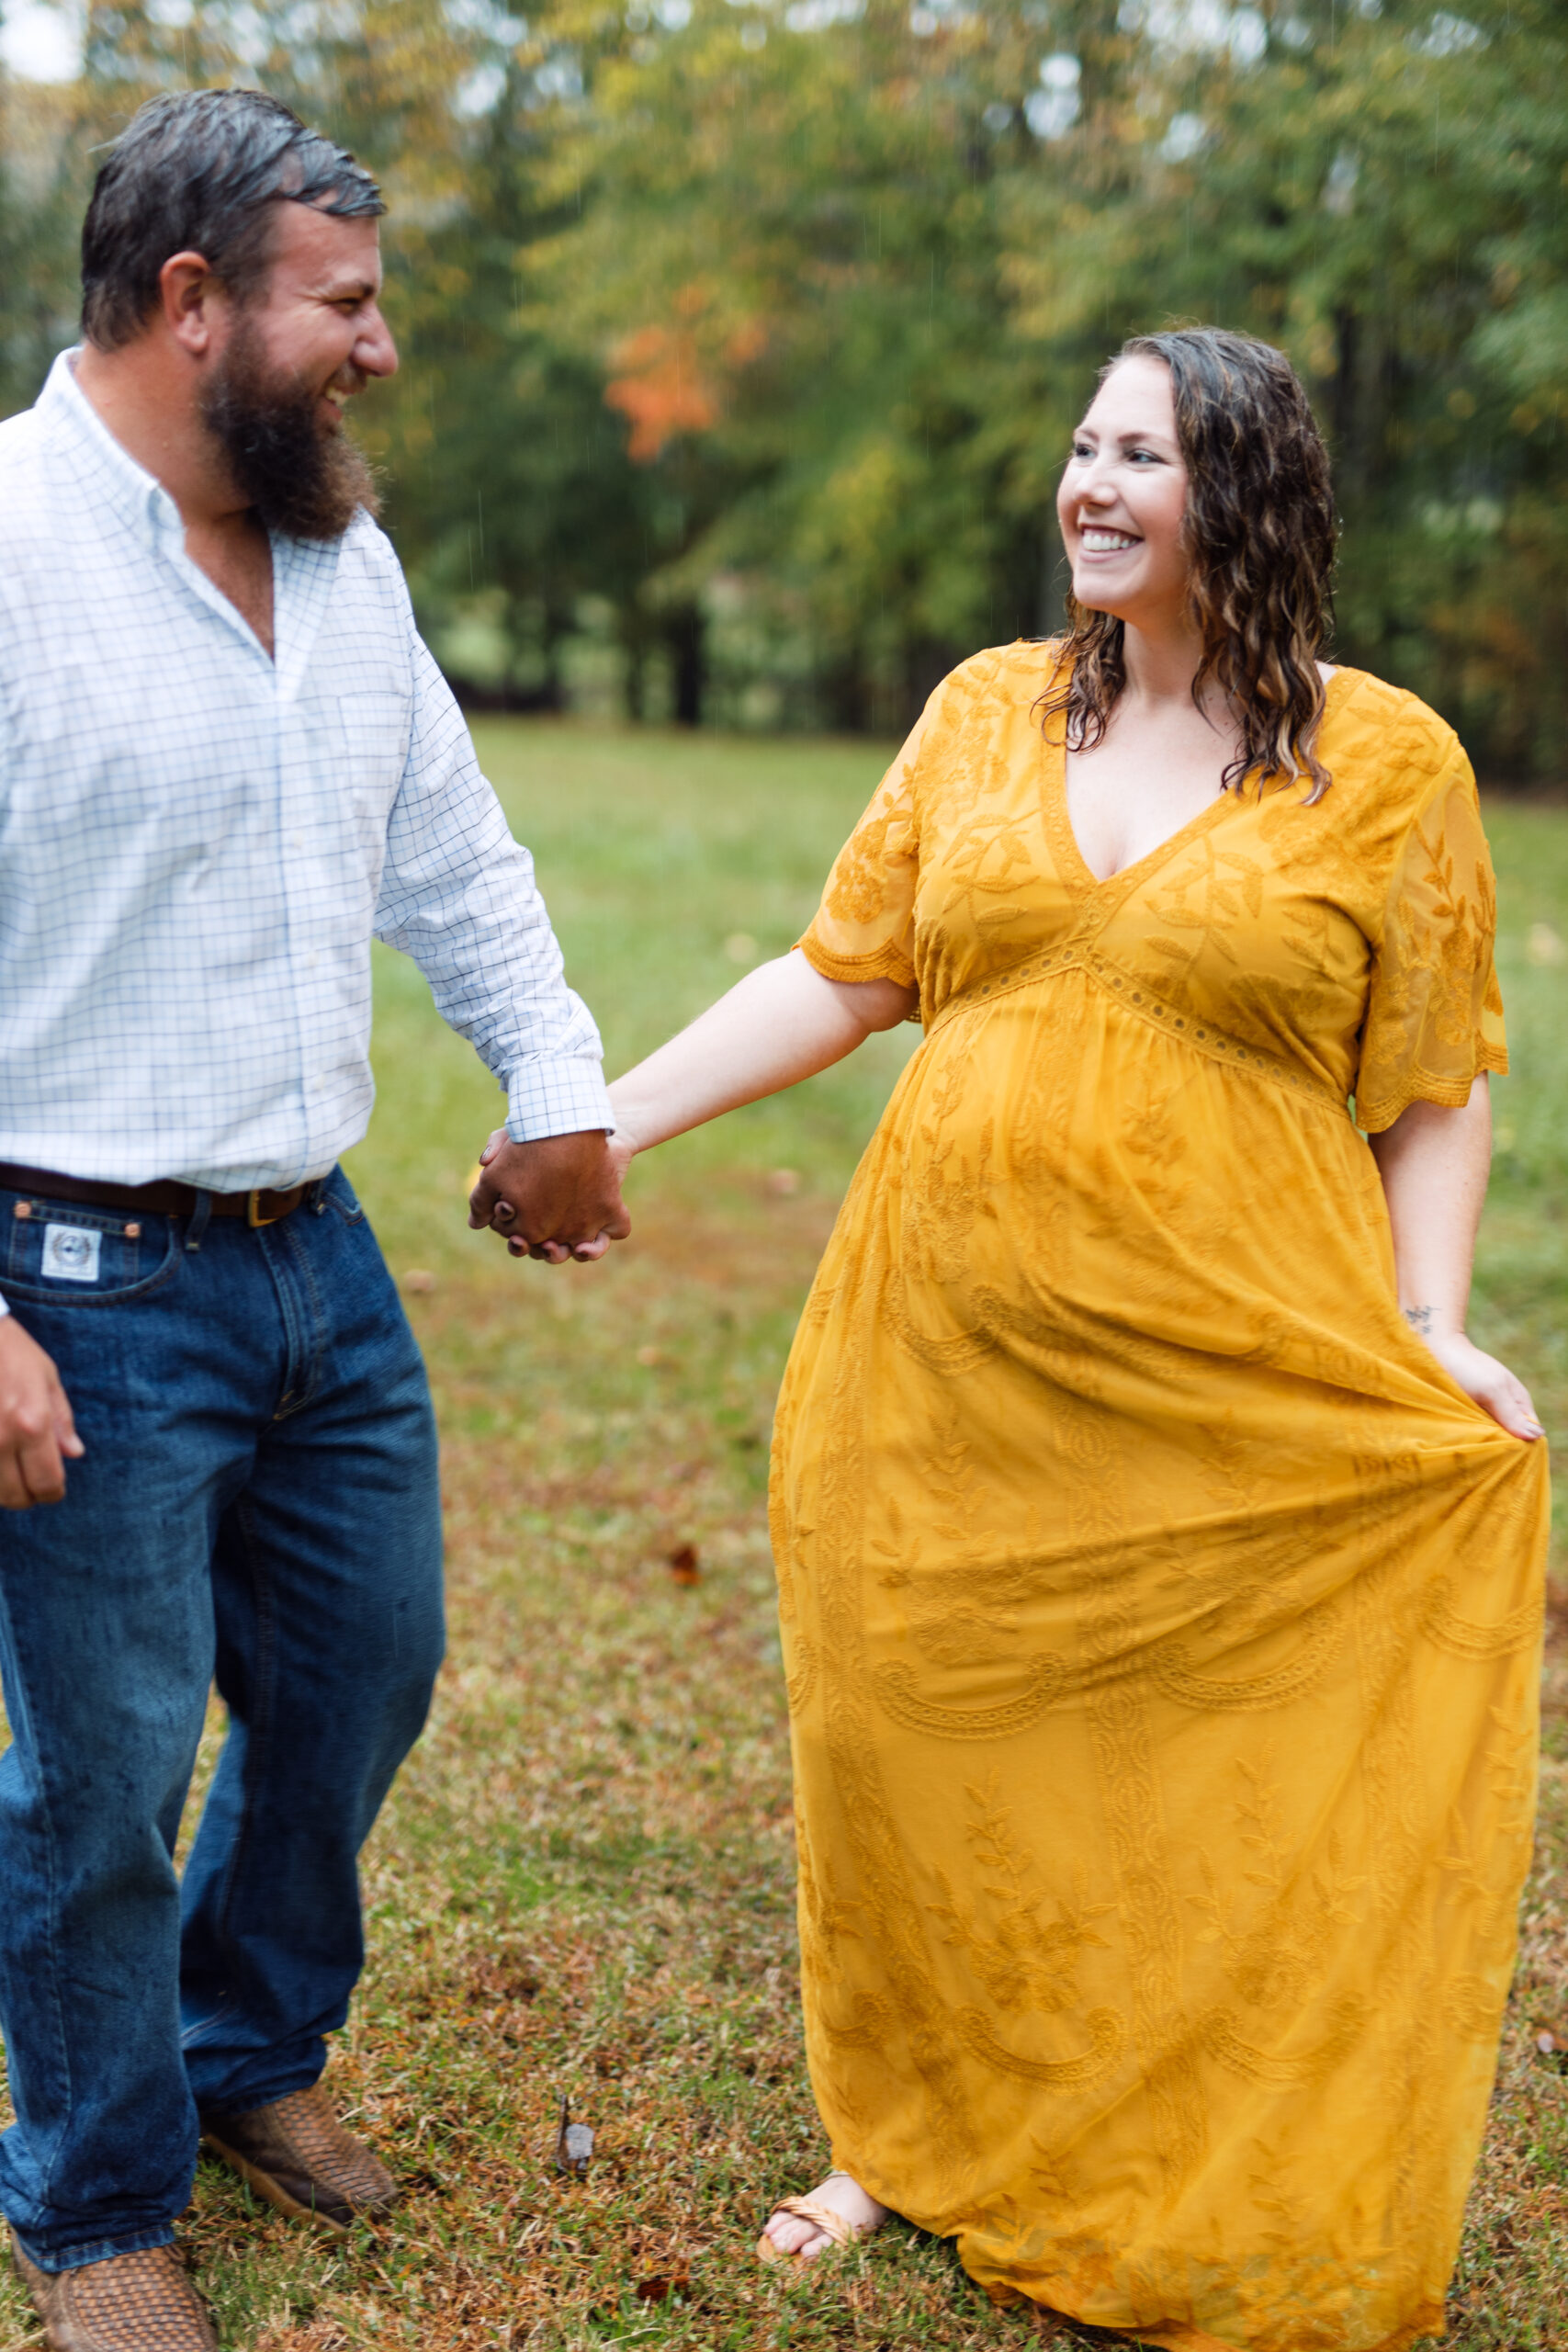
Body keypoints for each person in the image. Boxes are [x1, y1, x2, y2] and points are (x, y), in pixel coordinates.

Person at [579, 330, 1550, 2348]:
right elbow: (840, 972)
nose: (1091, 484)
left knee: (1189, 1758)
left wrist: (1427, 1326)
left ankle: (1152, 2097)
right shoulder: (979, 714)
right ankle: (899, 2129)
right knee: (918, 1736)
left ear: (1251, 496)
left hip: (1228, 1351)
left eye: (1148, 454)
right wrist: (605, 1119)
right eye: (1083, 444)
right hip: (935, 1355)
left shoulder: (1383, 764)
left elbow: (1433, 1081)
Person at [0, 88, 626, 2352]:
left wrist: (554, 1093)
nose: (375, 349)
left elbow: (448, 853)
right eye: (343, 303)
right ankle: (93, 2204)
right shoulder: (4, 546)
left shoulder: (335, 554)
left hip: (312, 1257)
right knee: (99, 1776)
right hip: (68, 1267)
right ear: (192, 304)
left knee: (367, 1671)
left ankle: (247, 2047)